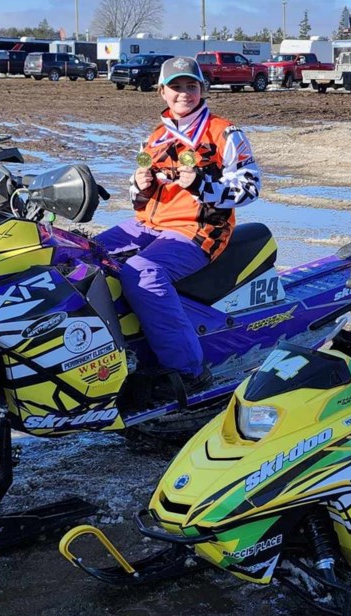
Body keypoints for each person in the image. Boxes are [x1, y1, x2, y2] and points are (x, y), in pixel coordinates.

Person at [94, 56, 261, 393]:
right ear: (162, 92)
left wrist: (202, 185)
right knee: (85, 255)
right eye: (176, 87)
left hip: (199, 231)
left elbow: (251, 187)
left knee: (141, 271)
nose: (184, 93)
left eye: (191, 86)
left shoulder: (223, 132)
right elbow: (137, 196)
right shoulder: (152, 139)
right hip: (147, 225)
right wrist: (138, 185)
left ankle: (187, 371)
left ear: (203, 89)